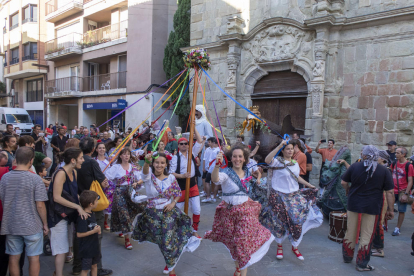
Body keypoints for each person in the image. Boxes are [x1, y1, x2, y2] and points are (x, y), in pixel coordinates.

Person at [205, 147, 274, 276]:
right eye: (235, 156)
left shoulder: (248, 172)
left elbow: (246, 190)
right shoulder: (226, 173)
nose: (237, 159)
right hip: (229, 213)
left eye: (240, 156)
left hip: (245, 212)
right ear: (231, 158)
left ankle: (243, 272)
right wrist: (216, 165)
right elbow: (215, 180)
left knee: (242, 243)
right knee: (233, 243)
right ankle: (238, 268)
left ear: (245, 158)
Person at [132, 153, 201, 275]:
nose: (159, 165)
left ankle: (171, 269)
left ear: (166, 164)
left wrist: (173, 203)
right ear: (153, 164)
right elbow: (144, 172)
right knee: (163, 242)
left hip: (169, 214)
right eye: (157, 162)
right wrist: (147, 162)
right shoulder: (148, 177)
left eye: (162, 163)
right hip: (153, 216)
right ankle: (170, 262)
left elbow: (177, 193)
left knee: (167, 242)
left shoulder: (171, 178)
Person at [257, 139, 322, 261]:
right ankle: (279, 247)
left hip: (293, 196)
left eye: (292, 148)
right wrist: (280, 145)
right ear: (283, 150)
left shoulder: (295, 163)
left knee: (297, 221)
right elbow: (267, 160)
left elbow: (296, 178)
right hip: (279, 197)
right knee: (279, 222)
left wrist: (309, 185)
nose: (290, 151)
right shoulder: (276, 162)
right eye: (287, 148)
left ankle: (295, 246)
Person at [341, 145, 395, 271]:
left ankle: (347, 257)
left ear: (364, 155)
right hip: (372, 206)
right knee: (367, 234)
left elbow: (344, 182)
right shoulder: (383, 170)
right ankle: (361, 264)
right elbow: (390, 192)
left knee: (350, 231)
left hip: (354, 203)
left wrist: (348, 190)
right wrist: (391, 210)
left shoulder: (355, 166)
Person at [0, 147, 49, 276]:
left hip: (11, 224)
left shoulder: (5, 178)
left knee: (13, 257)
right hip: (32, 224)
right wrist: (45, 224)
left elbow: (3, 198)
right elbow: (40, 205)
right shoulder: (35, 179)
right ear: (31, 161)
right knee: (33, 258)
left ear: (16, 159)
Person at [73, 138, 112, 276]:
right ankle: (97, 267)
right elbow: (103, 182)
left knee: (78, 234)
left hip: (76, 202)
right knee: (96, 234)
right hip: (91, 202)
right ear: (93, 149)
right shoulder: (91, 162)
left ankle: (77, 266)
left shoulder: (73, 161)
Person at [47, 148, 88, 276]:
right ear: (73, 160)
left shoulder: (74, 172)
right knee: (61, 248)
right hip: (58, 216)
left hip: (69, 215)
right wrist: (77, 207)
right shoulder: (60, 173)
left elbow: (73, 193)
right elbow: (56, 197)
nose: (83, 160)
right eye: (81, 158)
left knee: (65, 246)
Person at [105, 148, 145, 250]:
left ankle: (123, 229)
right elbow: (107, 178)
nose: (126, 156)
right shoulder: (116, 167)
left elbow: (141, 179)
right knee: (123, 213)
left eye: (128, 154)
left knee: (130, 212)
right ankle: (127, 239)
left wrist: (136, 183)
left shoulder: (133, 167)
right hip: (119, 192)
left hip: (130, 192)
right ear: (121, 156)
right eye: (124, 154)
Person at [170, 128, 203, 238]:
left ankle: (194, 231)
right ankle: (179, 230)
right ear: (178, 146)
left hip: (193, 185)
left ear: (188, 145)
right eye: (181, 144)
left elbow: (199, 141)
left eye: (186, 143)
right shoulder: (175, 158)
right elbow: (171, 173)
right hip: (181, 186)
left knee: (197, 209)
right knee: (178, 210)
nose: (184, 145)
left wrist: (194, 128)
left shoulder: (192, 153)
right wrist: (182, 176)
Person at [390, 147, 414, 236]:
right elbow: (391, 174)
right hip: (393, 190)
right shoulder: (394, 163)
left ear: (403, 154)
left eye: (398, 153)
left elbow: (410, 180)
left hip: (402, 191)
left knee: (401, 210)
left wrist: (406, 193)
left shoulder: (409, 166)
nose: (395, 154)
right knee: (388, 207)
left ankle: (397, 228)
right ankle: (384, 224)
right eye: (396, 153)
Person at [371, 150, 391, 257]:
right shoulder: (380, 169)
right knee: (375, 222)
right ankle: (375, 244)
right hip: (377, 197)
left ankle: (380, 249)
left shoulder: (386, 170)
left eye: (378, 157)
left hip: (382, 198)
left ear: (382, 159)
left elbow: (389, 190)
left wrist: (390, 209)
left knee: (379, 223)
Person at [77, 190, 101, 276]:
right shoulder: (83, 217)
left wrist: (98, 229)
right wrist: (93, 231)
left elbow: (92, 226)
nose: (97, 202)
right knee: (85, 269)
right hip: (86, 249)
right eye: (96, 200)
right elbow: (79, 234)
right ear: (91, 204)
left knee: (94, 265)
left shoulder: (92, 214)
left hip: (94, 246)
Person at [93, 142, 115, 231]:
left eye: (103, 148)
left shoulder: (108, 160)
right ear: (96, 149)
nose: (102, 149)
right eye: (100, 148)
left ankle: (105, 221)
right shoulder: (94, 161)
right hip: (98, 185)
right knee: (98, 203)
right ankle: (96, 221)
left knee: (107, 204)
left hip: (108, 185)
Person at [202, 137, 221, 203]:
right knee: (217, 183)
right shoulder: (221, 150)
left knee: (207, 181)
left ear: (214, 143)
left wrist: (207, 167)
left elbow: (210, 160)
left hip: (212, 168)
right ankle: (214, 197)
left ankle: (208, 196)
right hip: (219, 169)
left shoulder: (214, 151)